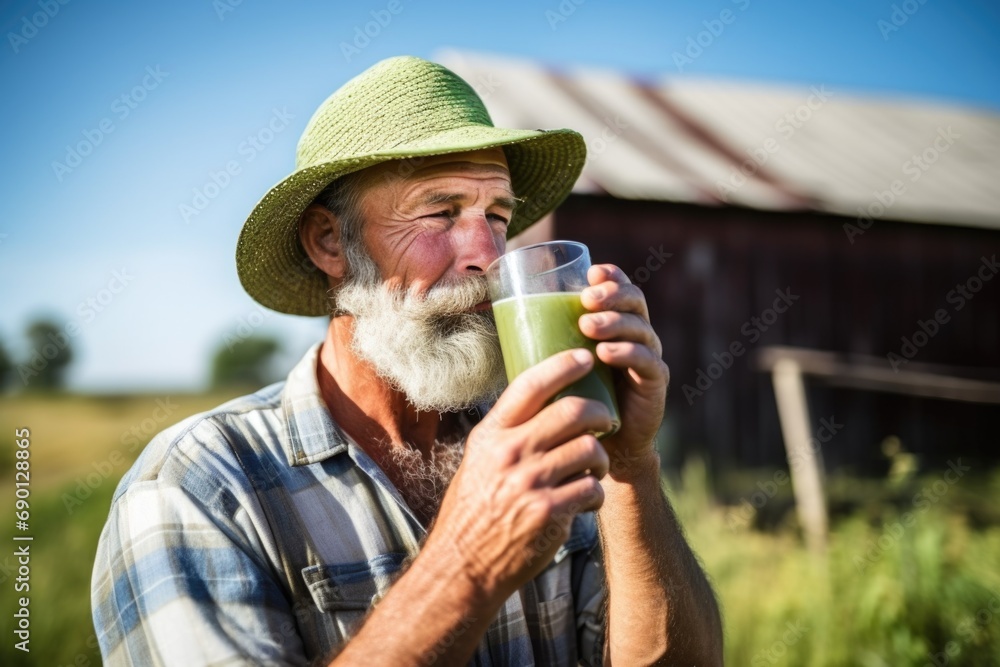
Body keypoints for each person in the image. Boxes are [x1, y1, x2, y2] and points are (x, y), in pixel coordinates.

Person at [91, 55, 723, 666]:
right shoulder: (198, 485)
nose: (486, 253)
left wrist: (630, 466)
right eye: (440, 212)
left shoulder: (543, 444)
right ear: (329, 242)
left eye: (496, 215)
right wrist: (468, 563)